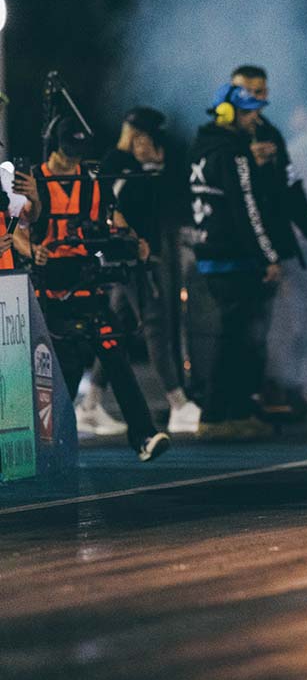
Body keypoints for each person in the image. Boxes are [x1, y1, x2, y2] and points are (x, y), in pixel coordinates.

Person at [16, 116, 170, 461]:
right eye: (66, 152)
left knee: (115, 352)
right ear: (54, 146)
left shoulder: (92, 181)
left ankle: (144, 436)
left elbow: (114, 219)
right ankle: (49, 440)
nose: (72, 160)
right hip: (50, 290)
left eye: (77, 153)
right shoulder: (33, 180)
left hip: (86, 281)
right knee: (67, 367)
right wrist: (33, 252)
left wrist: (135, 241)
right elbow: (16, 227)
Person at [75, 107, 203, 434]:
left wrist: (153, 167)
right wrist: (133, 241)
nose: (149, 142)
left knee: (114, 330)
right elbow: (116, 210)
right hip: (131, 259)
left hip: (132, 258)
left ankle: (90, 405)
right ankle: (178, 403)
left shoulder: (132, 166)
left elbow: (152, 203)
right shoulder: (117, 165)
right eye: (146, 135)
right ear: (135, 133)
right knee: (155, 325)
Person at [229, 65, 307, 415]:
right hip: (240, 248)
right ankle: (252, 393)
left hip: (279, 242)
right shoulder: (223, 137)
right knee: (250, 324)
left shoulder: (271, 132)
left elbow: (290, 187)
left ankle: (282, 383)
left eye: (261, 91)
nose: (257, 98)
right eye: (250, 91)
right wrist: (248, 162)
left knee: (291, 315)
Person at [186, 83, 280, 440]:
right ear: (228, 114)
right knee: (237, 340)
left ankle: (234, 412)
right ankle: (216, 414)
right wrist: (269, 256)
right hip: (235, 259)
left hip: (211, 255)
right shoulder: (234, 153)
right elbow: (248, 210)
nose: (256, 117)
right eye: (249, 110)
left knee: (235, 337)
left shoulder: (200, 148)